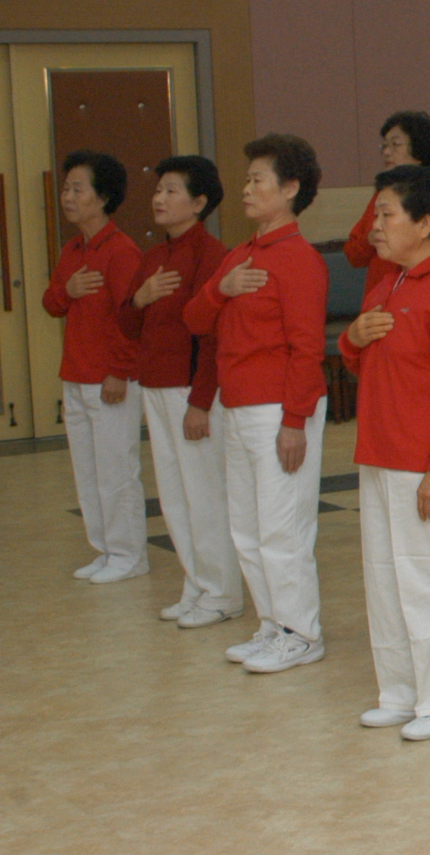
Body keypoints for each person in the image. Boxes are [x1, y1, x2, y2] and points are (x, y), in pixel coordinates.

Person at [341, 165, 430, 742]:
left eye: (386, 215)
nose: (374, 226)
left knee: (427, 578)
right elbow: (361, 359)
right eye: (375, 214)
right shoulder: (390, 283)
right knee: (383, 578)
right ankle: (400, 691)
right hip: (379, 453)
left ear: (424, 224)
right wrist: (352, 338)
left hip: (423, 461)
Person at [185, 134, 331, 674]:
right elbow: (195, 323)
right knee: (246, 526)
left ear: (290, 189)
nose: (246, 189)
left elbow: (306, 348)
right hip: (237, 406)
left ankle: (300, 631)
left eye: (257, 180)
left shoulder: (299, 260)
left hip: (277, 410)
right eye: (246, 180)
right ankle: (271, 625)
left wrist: (294, 421)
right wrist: (221, 288)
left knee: (281, 526)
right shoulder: (239, 256)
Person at [120, 155, 239, 625]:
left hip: (192, 391)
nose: (159, 199)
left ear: (200, 201)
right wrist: (140, 298)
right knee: (173, 494)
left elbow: (213, 338)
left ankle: (222, 593)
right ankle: (197, 583)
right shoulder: (152, 258)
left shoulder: (211, 255)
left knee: (205, 494)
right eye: (158, 190)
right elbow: (126, 325)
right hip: (154, 386)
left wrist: (199, 402)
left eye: (171, 190)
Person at [46, 150, 148, 585]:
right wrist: (67, 289)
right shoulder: (72, 249)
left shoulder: (121, 250)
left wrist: (118, 371)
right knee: (87, 471)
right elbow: (52, 305)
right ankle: (105, 550)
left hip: (109, 378)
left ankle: (129, 554)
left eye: (77, 188)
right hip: (75, 374)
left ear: (103, 197)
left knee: (116, 470)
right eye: (66, 188)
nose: (68, 196)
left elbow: (133, 317)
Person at [344, 112, 430, 292]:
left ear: (420, 149)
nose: (386, 151)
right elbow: (353, 255)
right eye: (384, 145)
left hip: (422, 297)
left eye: (395, 144)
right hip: (379, 300)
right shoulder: (383, 194)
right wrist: (369, 240)